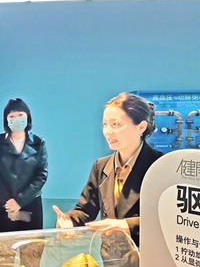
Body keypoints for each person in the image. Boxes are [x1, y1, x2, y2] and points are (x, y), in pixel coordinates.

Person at [53, 92, 162, 246]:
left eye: (116, 124)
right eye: (105, 124)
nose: (108, 131)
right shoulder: (101, 166)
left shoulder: (161, 166)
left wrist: (128, 225)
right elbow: (85, 210)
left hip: (148, 255)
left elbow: (171, 217)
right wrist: (69, 221)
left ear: (141, 127)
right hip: (110, 256)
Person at [0, 98, 48, 233]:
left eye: (20, 115)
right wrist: (9, 203)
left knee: (31, 244)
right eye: (12, 116)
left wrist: (19, 201)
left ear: (27, 116)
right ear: (6, 119)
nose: (16, 119)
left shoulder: (38, 143)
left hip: (30, 202)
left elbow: (41, 174)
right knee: (3, 244)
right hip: (4, 204)